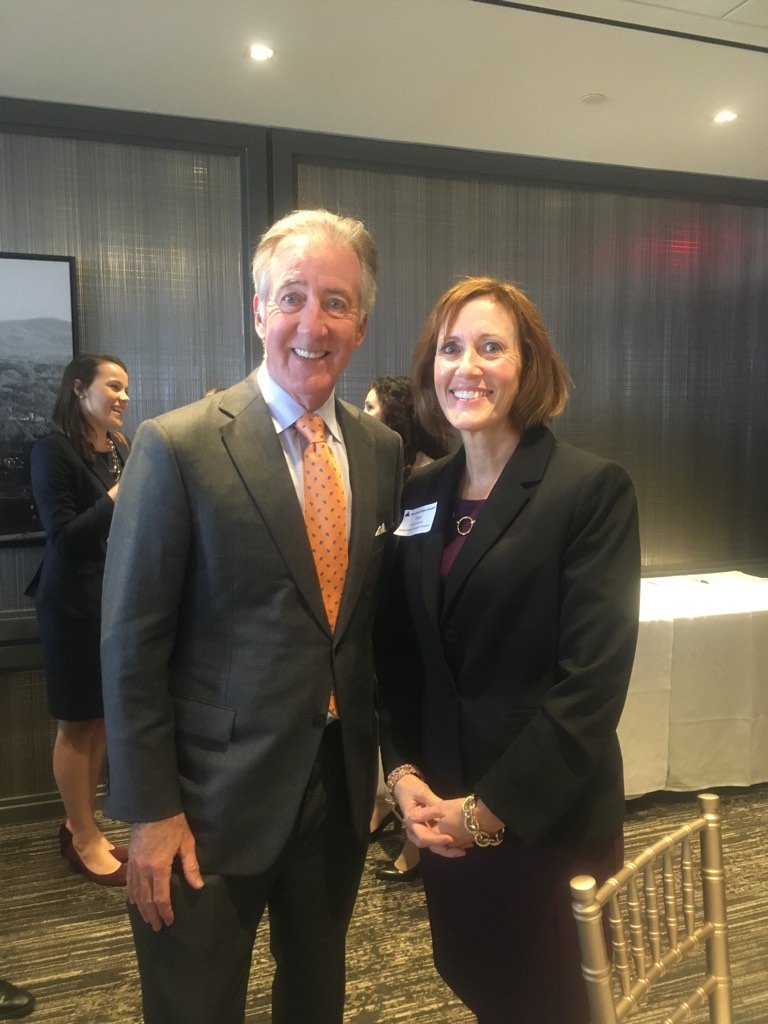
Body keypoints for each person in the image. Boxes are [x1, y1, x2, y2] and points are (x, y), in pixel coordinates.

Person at [100, 209, 402, 1024]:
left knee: (315, 997)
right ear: (259, 310)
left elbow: (368, 628)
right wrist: (150, 812)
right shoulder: (179, 445)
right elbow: (131, 646)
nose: (313, 323)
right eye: (292, 297)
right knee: (194, 1006)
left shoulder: (379, 451)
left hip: (335, 792)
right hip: (206, 805)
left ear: (361, 325)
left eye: (336, 302)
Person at [376, 277, 640, 1024]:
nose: (467, 366)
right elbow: (397, 655)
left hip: (543, 819)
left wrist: (487, 813)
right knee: (478, 980)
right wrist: (402, 773)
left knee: (555, 1000)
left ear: (530, 366)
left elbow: (591, 686)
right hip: (442, 810)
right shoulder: (419, 492)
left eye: (491, 347)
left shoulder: (589, 490)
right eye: (450, 348)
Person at [27, 355, 130, 887]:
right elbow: (64, 539)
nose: (123, 397)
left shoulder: (119, 449)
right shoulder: (52, 451)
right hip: (69, 607)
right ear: (78, 389)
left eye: (126, 388)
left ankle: (80, 825)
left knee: (101, 718)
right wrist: (118, 495)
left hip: (112, 604)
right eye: (113, 386)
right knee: (76, 723)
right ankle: (84, 839)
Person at [363, 374, 448, 881]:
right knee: (384, 717)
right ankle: (385, 805)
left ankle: (414, 843)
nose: (363, 414)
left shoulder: (433, 477)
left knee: (407, 718)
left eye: (372, 406)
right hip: (380, 617)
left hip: (416, 625)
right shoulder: (377, 468)